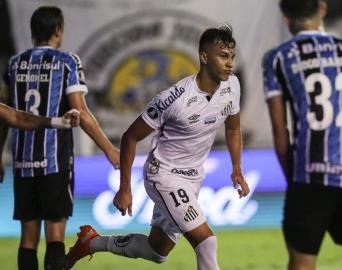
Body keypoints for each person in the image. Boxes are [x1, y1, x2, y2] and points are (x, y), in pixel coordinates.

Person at [65, 25, 250, 270]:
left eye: (232, 57)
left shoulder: (232, 86)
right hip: (164, 175)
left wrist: (237, 168)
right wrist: (125, 189)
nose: (230, 63)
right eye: (223, 56)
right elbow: (130, 137)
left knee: (157, 251)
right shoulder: (174, 98)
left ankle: (92, 242)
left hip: (194, 177)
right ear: (204, 57)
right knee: (206, 242)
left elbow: (233, 129)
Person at [0, 6, 119, 270]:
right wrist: (110, 149)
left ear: (33, 32)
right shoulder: (68, 62)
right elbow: (81, 112)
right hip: (54, 161)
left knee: (28, 238)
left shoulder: (14, 64)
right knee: (55, 236)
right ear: (58, 30)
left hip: (22, 163)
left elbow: (5, 115)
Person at [262, 1, 342, 270]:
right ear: (322, 8)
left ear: (286, 17)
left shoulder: (279, 57)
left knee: (302, 264)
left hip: (310, 175)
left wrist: (292, 179)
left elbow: (280, 130)